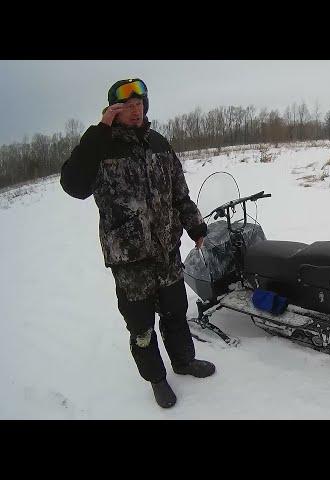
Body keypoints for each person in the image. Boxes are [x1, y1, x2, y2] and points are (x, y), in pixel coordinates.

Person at [60, 78, 215, 408]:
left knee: (175, 312)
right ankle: (157, 379)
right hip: (129, 259)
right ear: (113, 111)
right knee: (141, 326)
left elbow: (179, 193)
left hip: (166, 251)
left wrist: (195, 226)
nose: (135, 110)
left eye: (139, 103)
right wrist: (98, 131)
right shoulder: (100, 147)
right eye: (127, 106)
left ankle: (183, 362)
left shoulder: (158, 142)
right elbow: (73, 185)